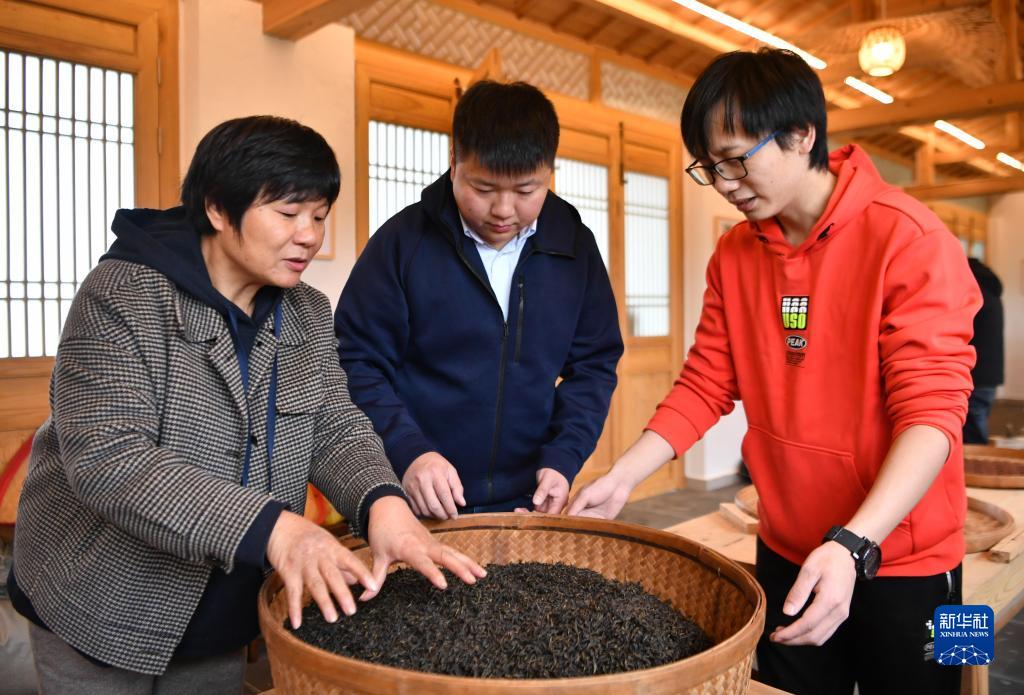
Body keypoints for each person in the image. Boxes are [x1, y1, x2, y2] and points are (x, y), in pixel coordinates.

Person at [8, 116, 485, 692]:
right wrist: (280, 531)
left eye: (319, 216)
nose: (311, 236)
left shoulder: (305, 311)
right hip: (100, 594)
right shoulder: (123, 296)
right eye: (288, 214)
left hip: (223, 599)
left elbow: (333, 425)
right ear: (217, 208)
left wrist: (383, 504)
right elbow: (110, 462)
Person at [568, 49, 980, 695]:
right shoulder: (734, 253)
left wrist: (853, 545)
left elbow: (933, 418)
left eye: (737, 158)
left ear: (801, 134)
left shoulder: (912, 238)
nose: (726, 182)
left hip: (915, 560)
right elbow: (705, 382)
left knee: (947, 682)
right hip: (787, 546)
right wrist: (621, 475)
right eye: (710, 166)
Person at [335, 81, 623, 519]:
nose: (504, 210)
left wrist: (564, 457)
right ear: (454, 164)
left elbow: (594, 366)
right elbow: (356, 362)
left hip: (526, 502)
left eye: (526, 191)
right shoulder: (402, 244)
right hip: (415, 495)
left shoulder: (574, 248)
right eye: (484, 189)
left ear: (550, 173)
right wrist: (408, 452)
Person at [963, 256, 1004, 444]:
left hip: (976, 375)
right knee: (978, 422)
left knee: (974, 433)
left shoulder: (973, 293)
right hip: (990, 376)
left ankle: (976, 471)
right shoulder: (992, 294)